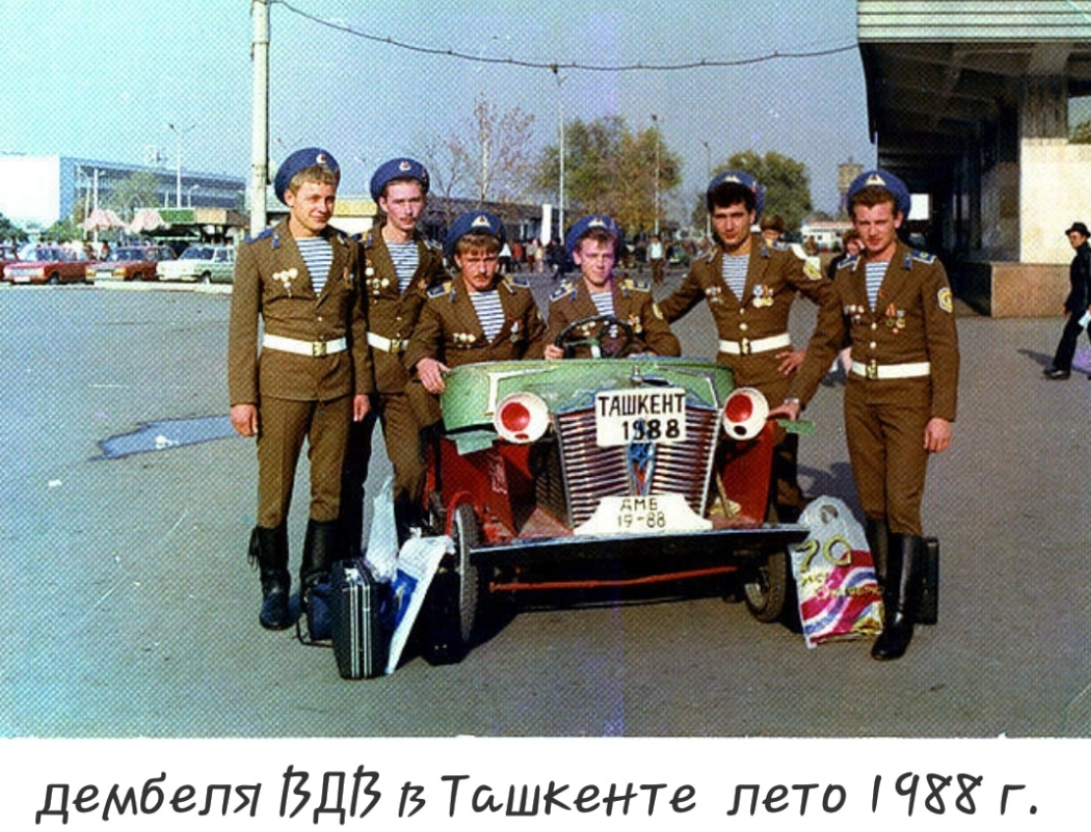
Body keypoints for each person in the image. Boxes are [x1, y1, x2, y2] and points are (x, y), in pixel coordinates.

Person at [769, 169, 960, 661]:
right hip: (861, 398)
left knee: (901, 502)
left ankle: (900, 617)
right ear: (854, 224)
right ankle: (882, 592)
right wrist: (797, 398)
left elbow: (945, 347)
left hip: (909, 399)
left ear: (898, 219)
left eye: (881, 221)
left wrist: (942, 415)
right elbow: (826, 341)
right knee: (873, 503)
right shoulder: (846, 273)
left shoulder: (924, 269)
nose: (873, 231)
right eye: (864, 222)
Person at [227, 147, 369, 630]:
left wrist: (361, 386)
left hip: (337, 383)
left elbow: (356, 323)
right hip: (282, 384)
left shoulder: (348, 249)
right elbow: (242, 333)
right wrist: (242, 398)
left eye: (329, 198)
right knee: (276, 490)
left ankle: (315, 584)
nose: (323, 208)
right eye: (313, 198)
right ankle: (274, 585)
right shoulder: (258, 251)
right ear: (289, 198)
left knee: (328, 489)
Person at [658, 170, 828, 522]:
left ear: (752, 216)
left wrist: (812, 353)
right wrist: (626, 322)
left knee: (779, 471)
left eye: (737, 215)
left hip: (776, 377)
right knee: (734, 469)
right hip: (729, 379)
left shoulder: (781, 259)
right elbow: (670, 309)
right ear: (711, 219)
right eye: (720, 216)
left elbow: (833, 299)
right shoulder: (704, 267)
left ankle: (789, 543)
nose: (729, 225)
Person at [340, 157, 446, 552]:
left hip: (406, 378)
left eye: (414, 200)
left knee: (413, 468)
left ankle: (406, 548)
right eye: (399, 201)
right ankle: (347, 555)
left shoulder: (431, 256)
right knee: (350, 471)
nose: (408, 210)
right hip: (362, 375)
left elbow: (440, 312)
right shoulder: (357, 250)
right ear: (383, 203)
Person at [404, 211, 547, 410]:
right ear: (458, 260)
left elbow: (539, 338)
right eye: (473, 260)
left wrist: (523, 375)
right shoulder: (441, 302)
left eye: (489, 259)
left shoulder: (519, 294)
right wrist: (424, 361)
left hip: (514, 397)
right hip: (463, 398)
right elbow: (421, 341)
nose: (482, 270)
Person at [543, 214, 680, 359]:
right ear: (577, 257)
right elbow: (551, 341)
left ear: (614, 258)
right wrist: (552, 352)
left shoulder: (638, 295)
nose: (600, 264)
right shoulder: (562, 302)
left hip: (632, 370)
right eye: (592, 256)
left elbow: (668, 343)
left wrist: (647, 357)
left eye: (607, 256)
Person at [1043, 221, 1091, 379]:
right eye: (1070, 237)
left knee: (1070, 334)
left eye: (1075, 237)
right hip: (1081, 304)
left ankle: (1062, 368)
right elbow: (1078, 285)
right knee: (1072, 334)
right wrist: (1068, 304)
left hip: (1085, 307)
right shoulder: (1080, 257)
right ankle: (1061, 366)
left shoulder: (1087, 256)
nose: (1072, 241)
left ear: (1084, 238)